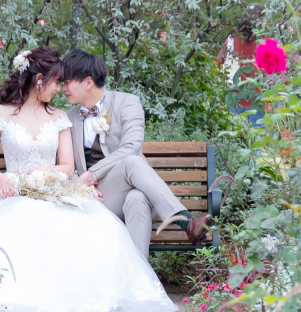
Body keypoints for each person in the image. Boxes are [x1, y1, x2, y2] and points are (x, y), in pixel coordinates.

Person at [0, 46, 176, 312]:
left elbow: (67, 165)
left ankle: (135, 279)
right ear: (39, 80)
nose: (60, 89)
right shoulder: (0, 114)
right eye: (56, 82)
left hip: (51, 188)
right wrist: (2, 179)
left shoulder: (60, 118)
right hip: (11, 191)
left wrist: (48, 173)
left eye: (64, 82)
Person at [61, 49, 211, 258]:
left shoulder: (127, 103)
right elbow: (66, 163)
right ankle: (185, 222)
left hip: (125, 187)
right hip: (95, 197)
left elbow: (131, 146)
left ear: (87, 82)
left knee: (137, 198)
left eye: (67, 82)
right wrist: (83, 182)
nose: (63, 89)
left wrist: (92, 173)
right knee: (132, 167)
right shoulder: (68, 117)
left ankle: (139, 283)